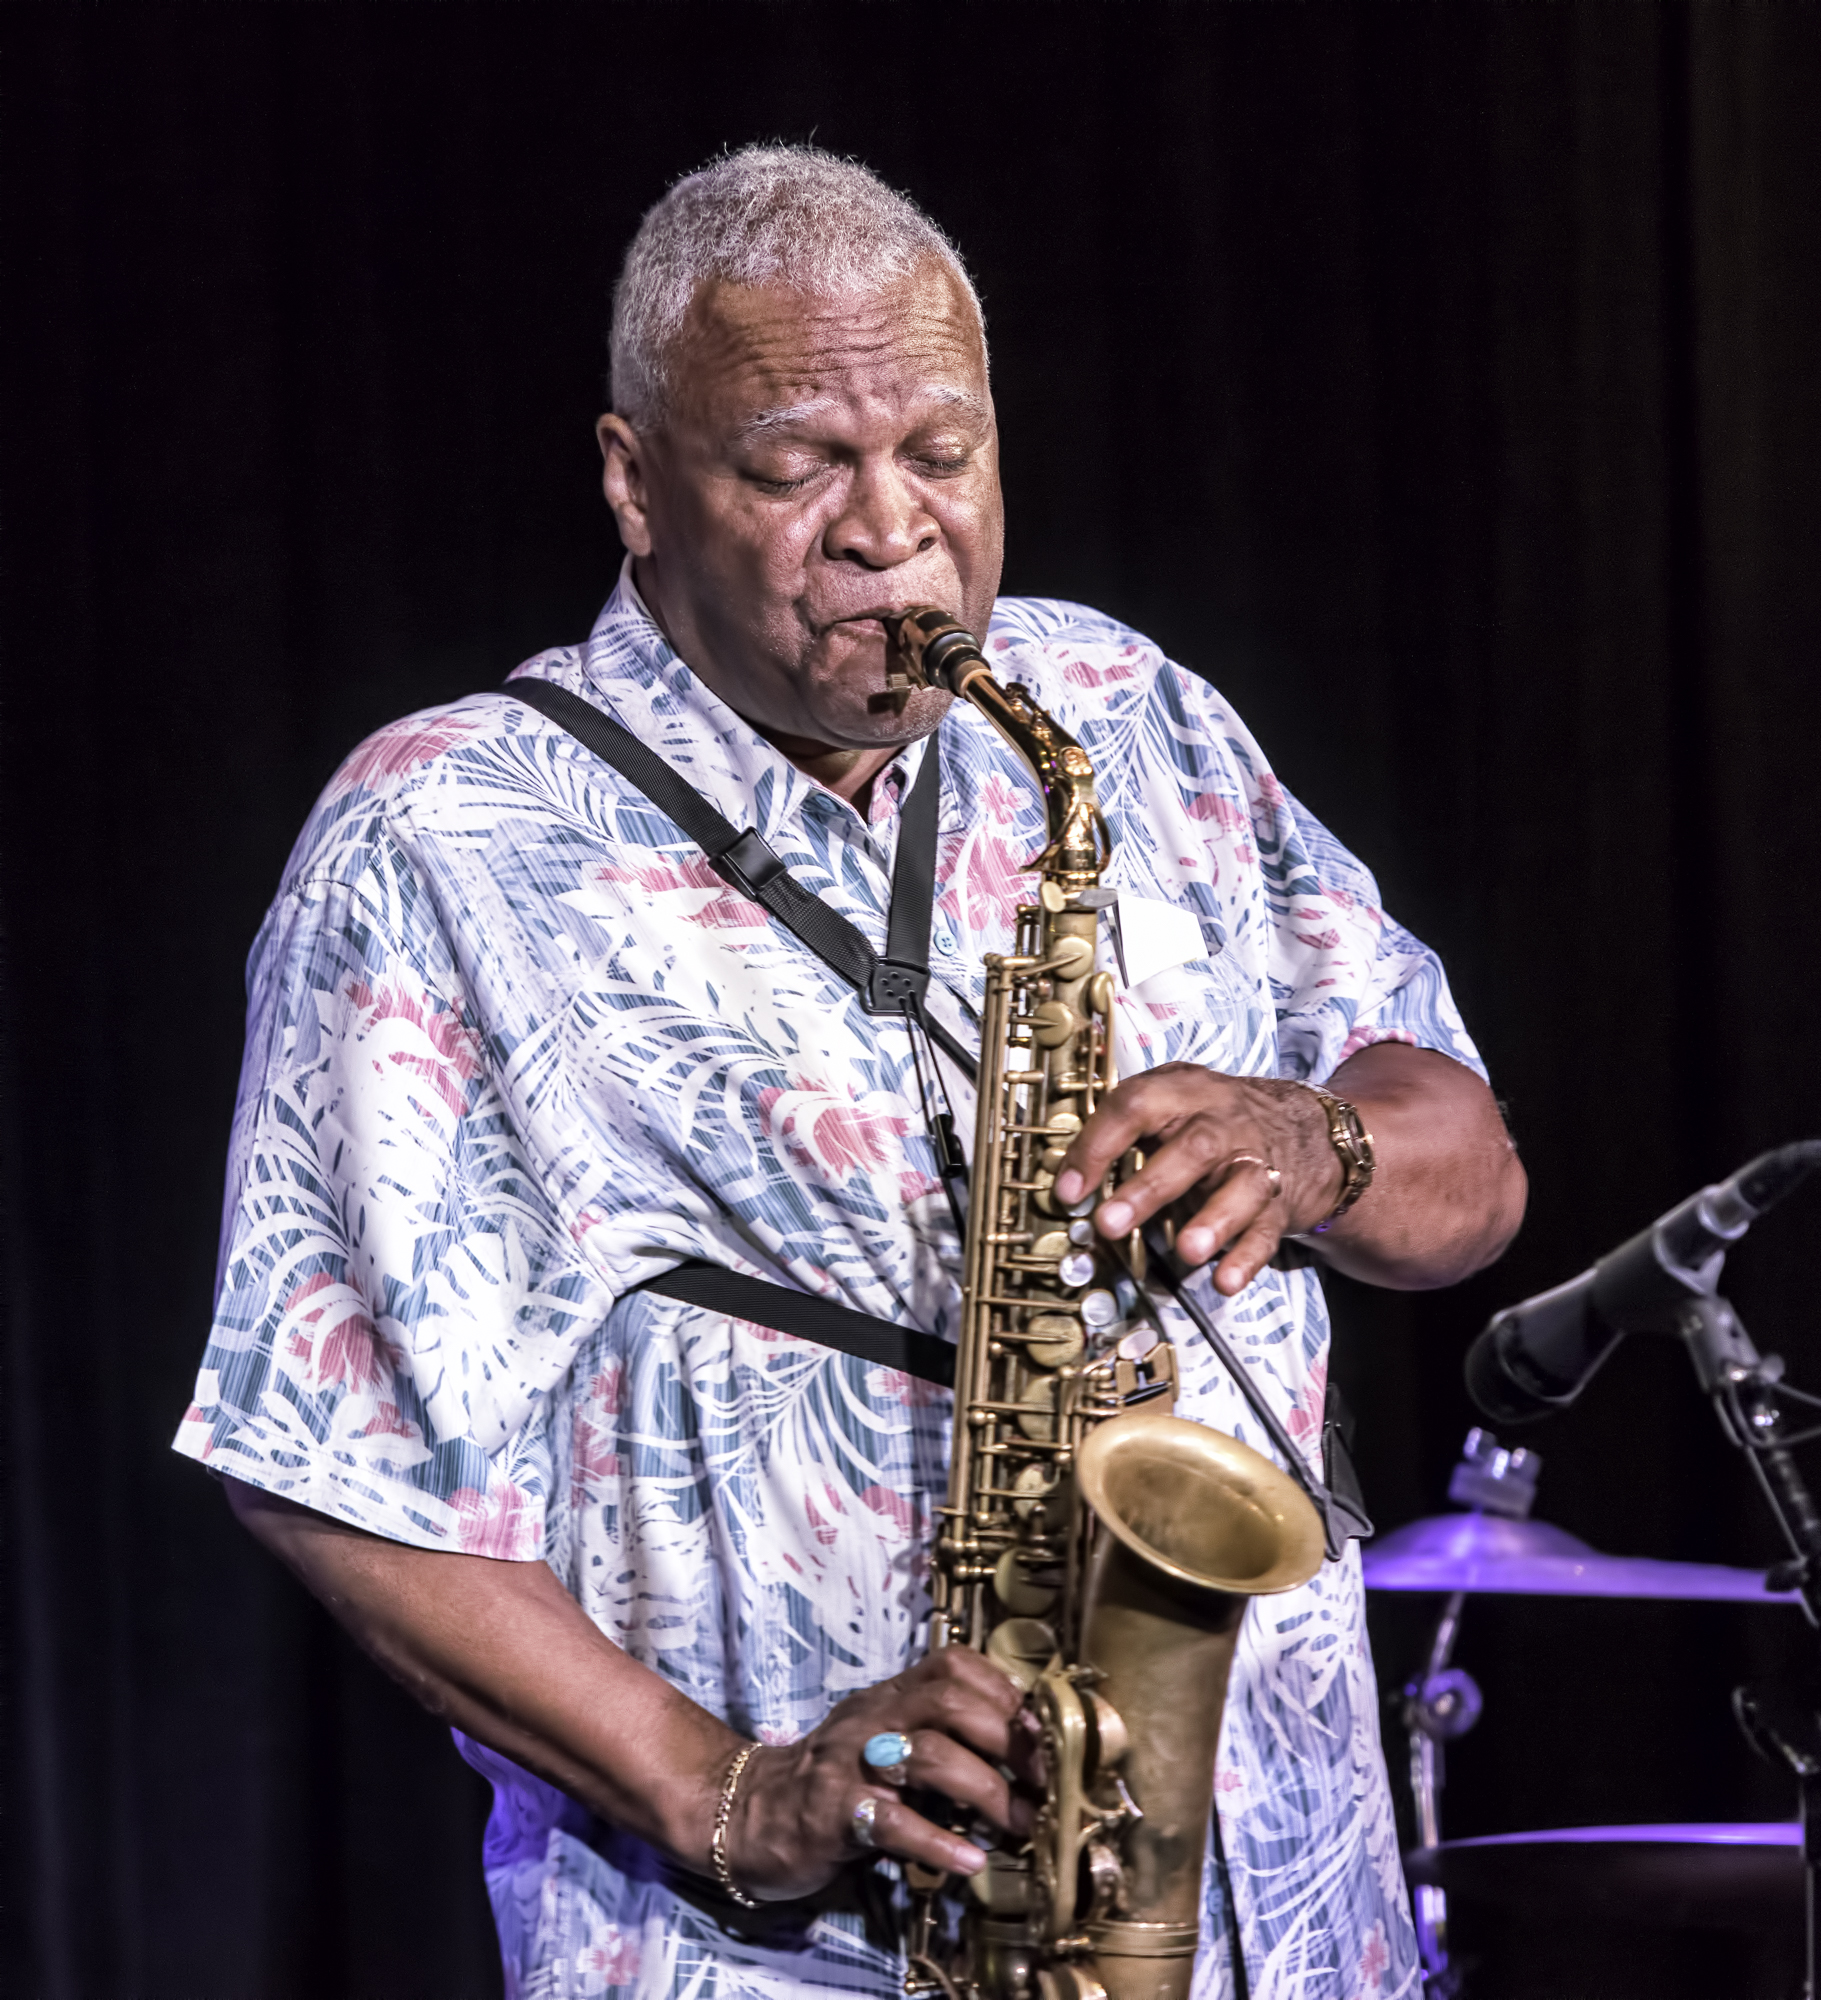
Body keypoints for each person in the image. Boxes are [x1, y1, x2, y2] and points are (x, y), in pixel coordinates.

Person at [174, 146, 1526, 1998]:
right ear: (634, 483)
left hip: (1293, 1910)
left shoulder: (1126, 714)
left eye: (945, 457)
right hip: (794, 1950)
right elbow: (321, 1458)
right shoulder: (442, 845)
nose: (894, 533)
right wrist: (733, 1791)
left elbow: (1475, 1178)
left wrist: (1320, 1139)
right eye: (800, 465)